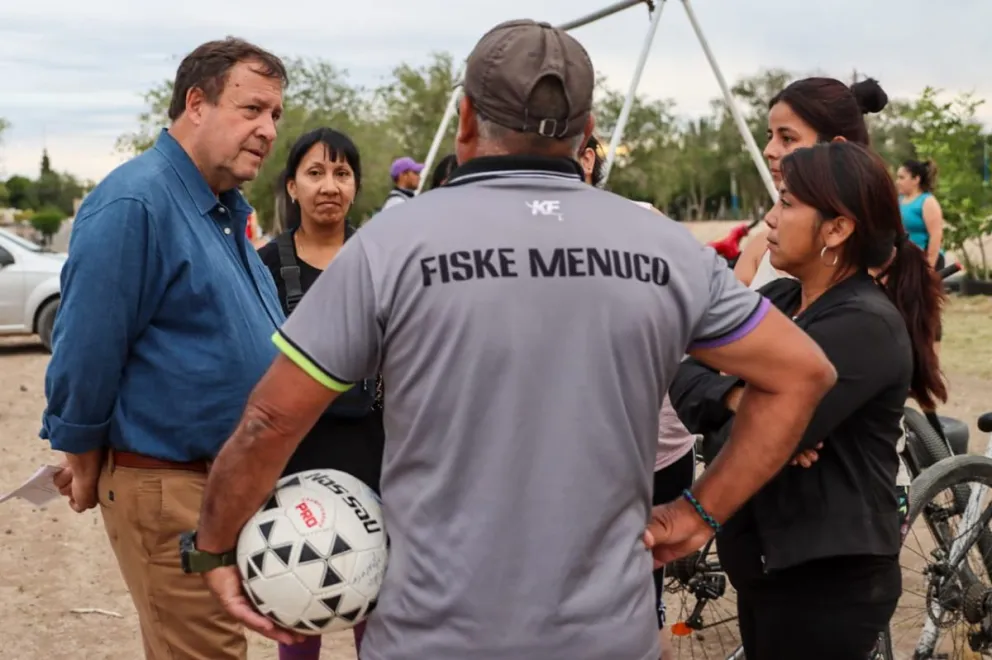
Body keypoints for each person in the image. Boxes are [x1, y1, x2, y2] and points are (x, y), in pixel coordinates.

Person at [183, 19, 836, 660]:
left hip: (433, 637)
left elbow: (271, 419)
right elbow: (802, 374)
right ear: (585, 131)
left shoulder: (391, 244)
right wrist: (700, 514)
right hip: (607, 636)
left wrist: (214, 544)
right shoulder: (662, 246)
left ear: (466, 120)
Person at [43, 38, 288, 659]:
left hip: (217, 486)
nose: (267, 130)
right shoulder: (138, 202)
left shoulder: (221, 209)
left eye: (276, 116)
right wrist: (83, 453)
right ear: (196, 103)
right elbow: (87, 348)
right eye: (252, 109)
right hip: (169, 487)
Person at [670, 141, 946, 659]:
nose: (769, 220)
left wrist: (760, 421)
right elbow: (682, 375)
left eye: (787, 203)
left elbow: (754, 438)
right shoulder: (779, 301)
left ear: (837, 229)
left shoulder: (862, 324)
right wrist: (738, 397)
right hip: (767, 568)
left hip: (825, 583)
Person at [256, 127, 385, 660]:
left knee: (376, 604)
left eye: (341, 173)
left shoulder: (385, 257)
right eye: (314, 173)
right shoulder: (263, 266)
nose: (328, 185)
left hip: (376, 454)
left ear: (355, 185)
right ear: (291, 188)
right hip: (295, 458)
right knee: (298, 600)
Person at [579, 126, 696, 655]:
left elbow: (697, 320)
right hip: (574, 457)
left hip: (653, 449)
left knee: (638, 598)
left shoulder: (643, 223)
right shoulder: (511, 234)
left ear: (587, 158)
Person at [734, 76, 889, 290]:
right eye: (770, 136)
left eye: (787, 138)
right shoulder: (762, 248)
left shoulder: (874, 268)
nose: (768, 151)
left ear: (835, 148)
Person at [896, 158, 945, 269]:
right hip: (906, 260)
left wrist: (930, 266)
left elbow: (936, 235)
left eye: (901, 178)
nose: (897, 182)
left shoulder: (927, 201)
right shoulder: (899, 200)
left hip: (925, 261)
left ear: (916, 180)